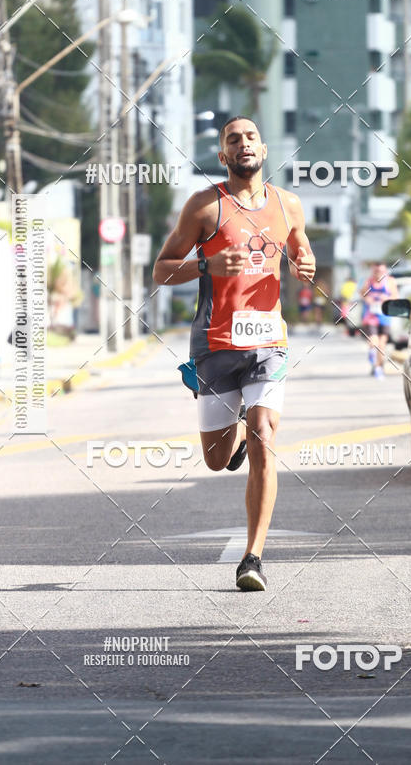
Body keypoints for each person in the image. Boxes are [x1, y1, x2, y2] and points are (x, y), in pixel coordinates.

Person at [153, 115, 316, 591]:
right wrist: (205, 263)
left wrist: (306, 265)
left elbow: (302, 256)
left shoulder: (289, 206)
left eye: (249, 138)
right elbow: (161, 270)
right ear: (222, 156)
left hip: (268, 341)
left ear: (263, 151)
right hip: (216, 344)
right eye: (232, 140)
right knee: (216, 458)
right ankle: (234, 442)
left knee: (264, 432)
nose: (242, 144)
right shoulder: (205, 207)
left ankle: (253, 558)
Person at [359, 261, 398, 379]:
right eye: (376, 271)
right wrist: (368, 299)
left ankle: (379, 366)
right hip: (371, 317)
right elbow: (362, 294)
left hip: (385, 317)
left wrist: (386, 298)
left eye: (381, 271)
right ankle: (375, 363)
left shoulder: (390, 281)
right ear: (373, 271)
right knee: (374, 341)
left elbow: (395, 296)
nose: (378, 274)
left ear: (385, 270)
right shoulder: (368, 281)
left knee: (382, 345)